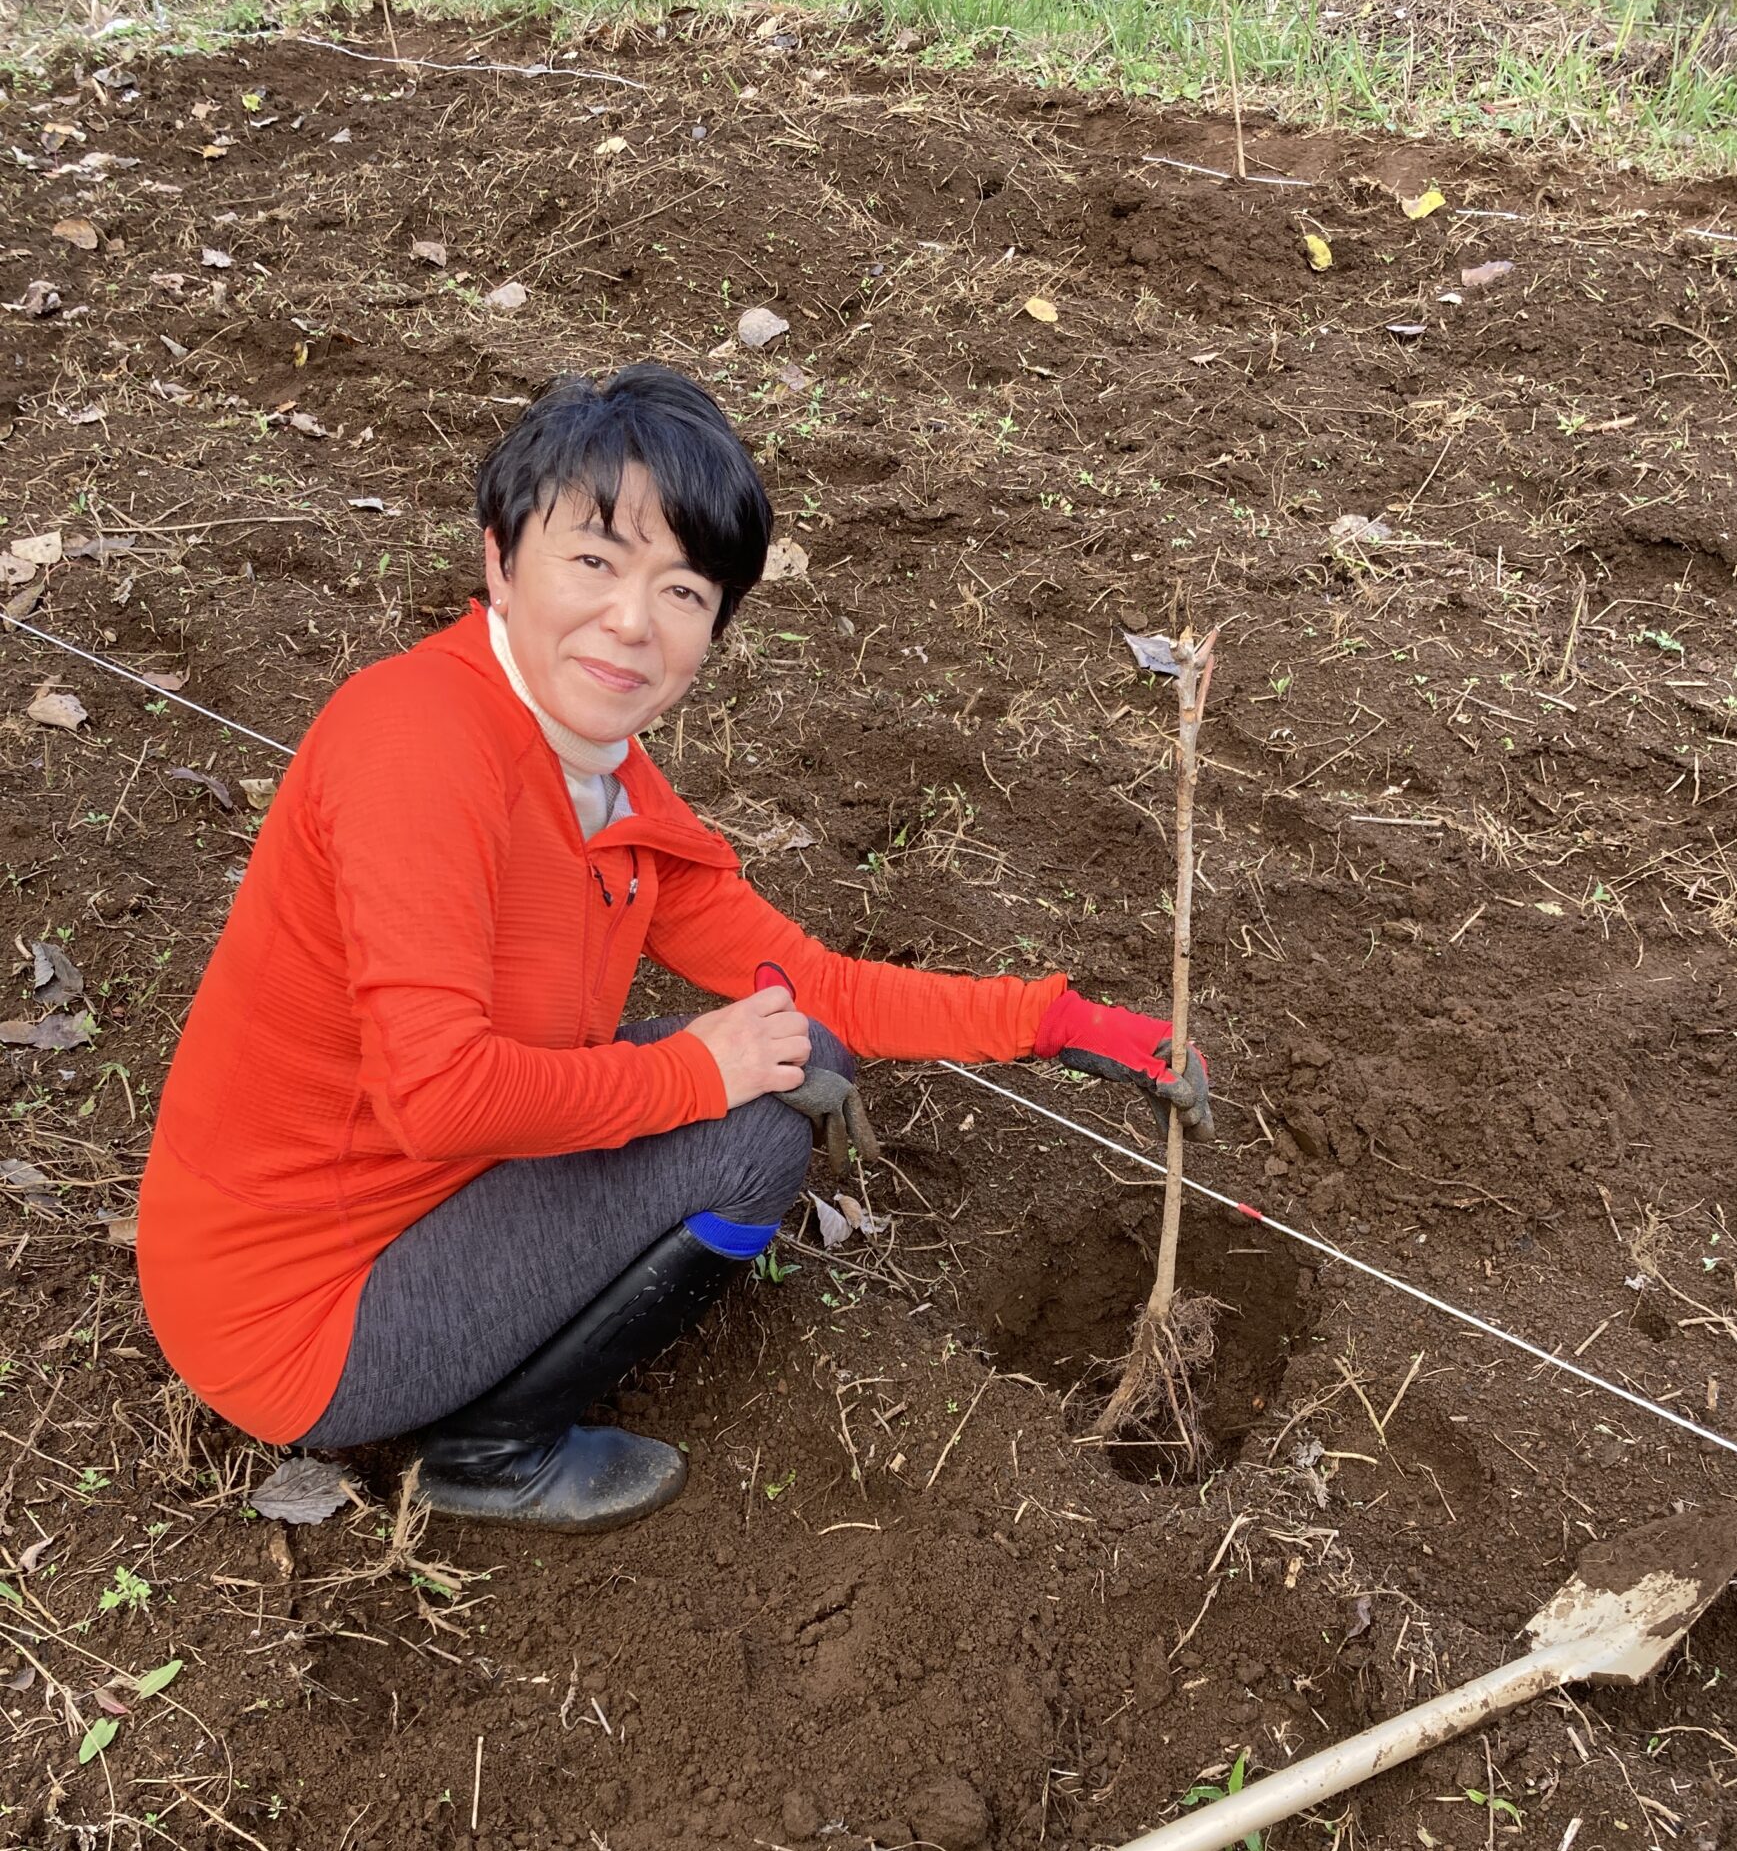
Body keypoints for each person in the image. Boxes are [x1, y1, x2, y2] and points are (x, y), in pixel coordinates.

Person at [137, 363, 1212, 1533]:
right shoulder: (421, 749)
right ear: (500, 558)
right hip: (295, 1317)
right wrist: (701, 1072)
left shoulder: (601, 781)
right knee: (748, 1125)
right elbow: (439, 1096)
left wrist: (1060, 1021)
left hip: (397, 1213)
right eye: (593, 561)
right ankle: (493, 1452)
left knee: (789, 1044)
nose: (633, 621)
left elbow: (808, 978)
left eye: (684, 589)